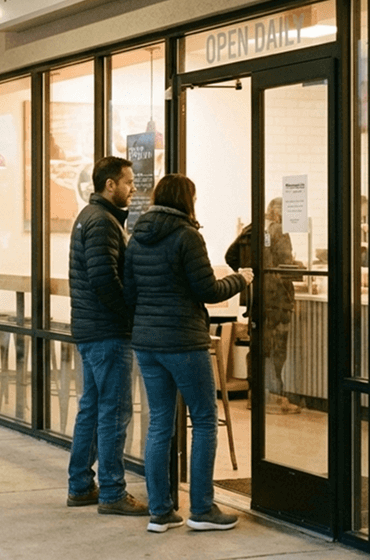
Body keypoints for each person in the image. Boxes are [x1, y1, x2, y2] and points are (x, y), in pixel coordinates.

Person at [124, 174, 251, 533]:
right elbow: (208, 289)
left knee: (160, 423)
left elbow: (130, 294)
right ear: (187, 199)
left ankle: (161, 513)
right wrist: (241, 279)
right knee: (205, 420)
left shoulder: (137, 238)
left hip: (147, 343)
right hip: (183, 342)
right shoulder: (187, 236)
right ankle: (202, 509)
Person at [65, 156, 148, 516]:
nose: (133, 188)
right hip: (107, 331)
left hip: (91, 329)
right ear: (109, 185)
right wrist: (130, 314)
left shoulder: (92, 217)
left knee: (92, 409)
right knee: (114, 413)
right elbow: (104, 281)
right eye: (128, 182)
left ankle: (81, 485)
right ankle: (112, 491)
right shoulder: (101, 222)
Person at [225, 197, 300, 414]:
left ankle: (254, 395)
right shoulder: (279, 232)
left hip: (256, 298)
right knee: (276, 350)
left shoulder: (250, 229)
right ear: (279, 214)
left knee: (258, 348)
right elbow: (286, 266)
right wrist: (298, 267)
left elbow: (230, 255)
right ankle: (276, 398)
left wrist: (250, 274)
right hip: (277, 300)